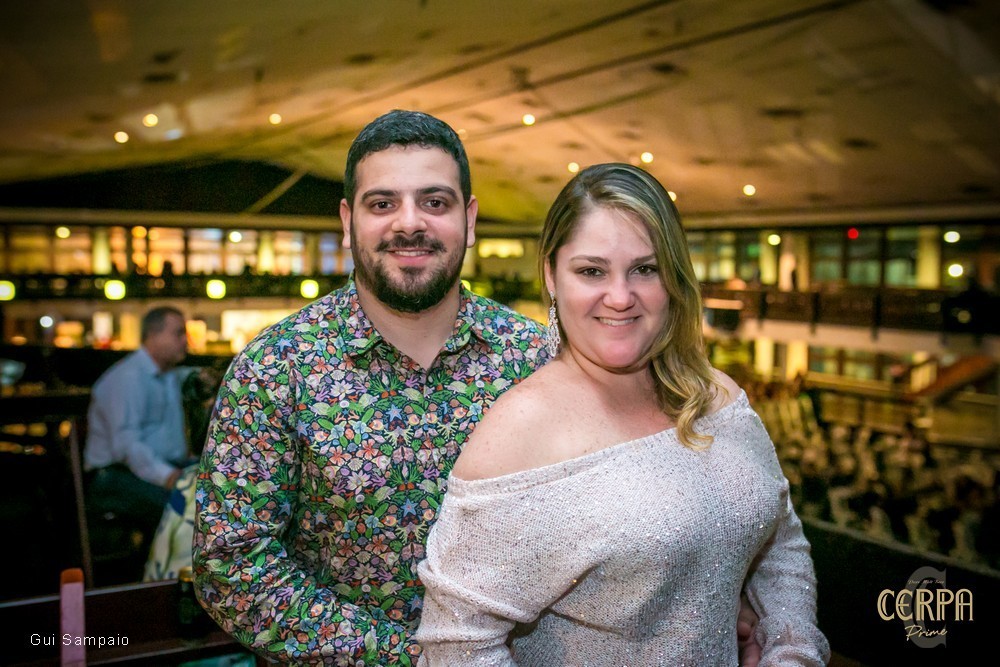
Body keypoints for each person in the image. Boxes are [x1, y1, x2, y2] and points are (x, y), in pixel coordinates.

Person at [194, 111, 763, 664]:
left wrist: (713, 595)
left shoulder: (539, 356)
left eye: (434, 202)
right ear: (347, 222)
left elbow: (634, 506)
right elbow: (232, 564)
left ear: (469, 220)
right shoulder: (276, 370)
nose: (409, 223)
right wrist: (421, 658)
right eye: (382, 203)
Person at [415, 163, 829, 665]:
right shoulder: (519, 433)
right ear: (551, 275)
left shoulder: (719, 396)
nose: (619, 297)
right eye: (591, 271)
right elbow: (456, 643)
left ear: (673, 277)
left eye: (645, 269)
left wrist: (790, 650)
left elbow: (781, 543)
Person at [84, 306, 193, 544]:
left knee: (219, 490)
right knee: (187, 508)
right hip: (113, 477)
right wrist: (168, 476)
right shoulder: (127, 378)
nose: (186, 340)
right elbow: (126, 447)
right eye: (178, 333)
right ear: (153, 336)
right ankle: (168, 566)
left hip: (153, 467)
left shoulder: (167, 374)